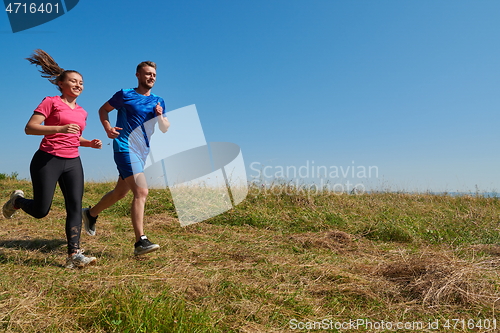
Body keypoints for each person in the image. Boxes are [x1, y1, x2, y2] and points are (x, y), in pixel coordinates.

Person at [2, 49, 102, 269]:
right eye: (74, 81)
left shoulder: (83, 111)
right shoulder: (50, 102)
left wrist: (89, 143)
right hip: (47, 160)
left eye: (81, 82)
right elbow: (30, 128)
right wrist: (60, 127)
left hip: (73, 161)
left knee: (75, 207)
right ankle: (17, 201)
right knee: (41, 210)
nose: (79, 85)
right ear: (61, 84)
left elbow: (74, 137)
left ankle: (73, 255)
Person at [82, 61, 170, 256]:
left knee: (120, 192)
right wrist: (108, 127)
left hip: (142, 152)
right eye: (147, 74)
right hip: (124, 147)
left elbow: (165, 128)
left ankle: (90, 213)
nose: (151, 77)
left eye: (154, 74)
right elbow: (103, 110)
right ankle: (140, 241)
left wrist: (161, 116)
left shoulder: (158, 101)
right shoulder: (125, 94)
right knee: (141, 191)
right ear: (138, 75)